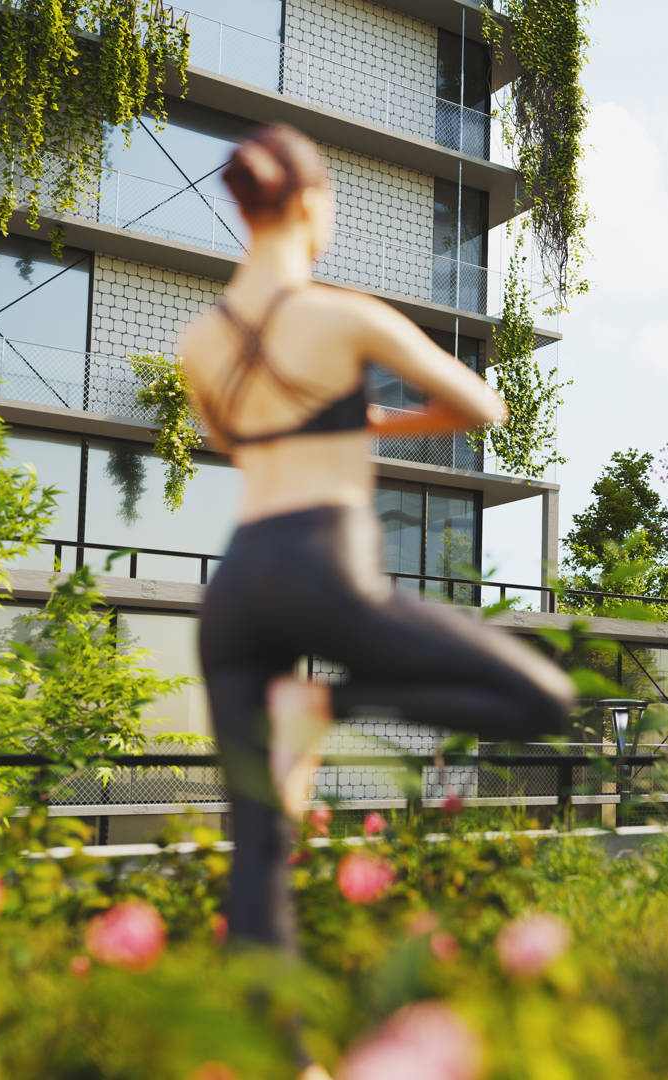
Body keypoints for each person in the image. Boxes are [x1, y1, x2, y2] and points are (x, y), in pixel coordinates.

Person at [180, 124, 576, 955]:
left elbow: (234, 441)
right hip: (324, 566)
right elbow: (480, 405)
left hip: (239, 585)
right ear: (312, 203)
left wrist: (329, 418)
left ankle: (273, 1048)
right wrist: (378, 417)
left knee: (259, 839)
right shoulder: (340, 315)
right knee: (543, 698)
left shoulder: (199, 342)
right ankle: (327, 703)